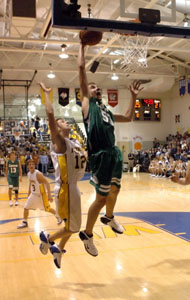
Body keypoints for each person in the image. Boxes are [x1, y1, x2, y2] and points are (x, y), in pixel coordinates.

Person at [78, 41, 143, 256]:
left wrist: (133, 96)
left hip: (113, 152)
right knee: (101, 198)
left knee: (115, 190)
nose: (96, 87)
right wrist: (82, 46)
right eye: (92, 85)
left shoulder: (106, 109)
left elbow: (127, 116)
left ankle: (109, 217)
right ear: (85, 93)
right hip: (100, 155)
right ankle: (87, 234)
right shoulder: (88, 105)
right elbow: (80, 69)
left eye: (98, 86)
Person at [38, 82, 86, 269]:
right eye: (62, 122)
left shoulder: (73, 143)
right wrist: (47, 95)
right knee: (74, 227)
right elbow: (50, 116)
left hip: (72, 188)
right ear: (57, 130)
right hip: (66, 189)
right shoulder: (59, 142)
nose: (66, 122)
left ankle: (58, 250)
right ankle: (47, 238)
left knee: (70, 225)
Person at [17, 159, 59, 228]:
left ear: (34, 165)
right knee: (26, 207)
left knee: (47, 209)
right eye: (29, 164)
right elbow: (30, 184)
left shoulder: (38, 174)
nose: (31, 165)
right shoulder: (29, 174)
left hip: (41, 195)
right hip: (33, 194)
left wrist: (49, 195)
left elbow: (47, 183)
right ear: (27, 166)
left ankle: (58, 216)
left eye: (32, 164)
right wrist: (28, 194)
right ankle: (25, 222)